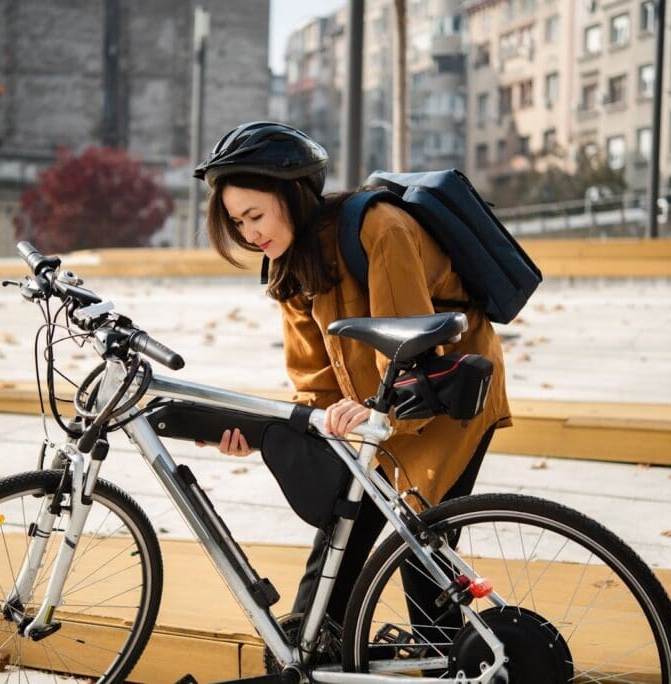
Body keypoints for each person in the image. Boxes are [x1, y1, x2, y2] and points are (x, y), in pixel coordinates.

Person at [193, 121, 512, 639]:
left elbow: (413, 343)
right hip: (373, 410)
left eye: (255, 215)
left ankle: (468, 664)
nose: (250, 234)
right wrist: (275, 434)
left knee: (419, 550)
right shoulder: (287, 263)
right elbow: (314, 382)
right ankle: (312, 650)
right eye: (237, 221)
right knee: (341, 529)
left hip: (445, 394)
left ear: (292, 197)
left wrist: (373, 412)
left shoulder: (378, 228)